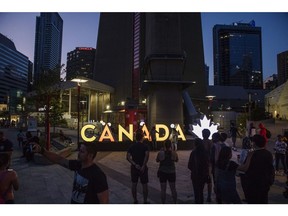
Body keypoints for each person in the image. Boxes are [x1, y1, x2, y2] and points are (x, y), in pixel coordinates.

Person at [33, 142, 109, 204]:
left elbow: (104, 201)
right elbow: (59, 160)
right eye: (79, 150)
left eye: (82, 152)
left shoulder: (98, 175)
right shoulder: (78, 165)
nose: (78, 154)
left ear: (90, 156)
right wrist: (42, 151)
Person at [240, 134, 275, 204]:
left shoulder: (252, 154)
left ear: (254, 143)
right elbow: (271, 168)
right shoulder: (268, 153)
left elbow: (245, 167)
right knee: (263, 200)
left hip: (253, 183)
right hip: (265, 182)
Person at [126, 131, 150, 204]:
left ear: (135, 138)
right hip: (143, 168)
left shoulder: (132, 146)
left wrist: (134, 164)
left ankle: (135, 200)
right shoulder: (145, 146)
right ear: (142, 138)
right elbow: (147, 156)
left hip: (134, 168)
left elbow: (128, 157)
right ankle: (145, 201)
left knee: (134, 184)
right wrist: (143, 165)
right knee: (144, 185)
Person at [156, 139, 178, 204]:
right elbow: (176, 160)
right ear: (170, 145)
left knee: (163, 190)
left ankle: (163, 203)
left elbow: (157, 160)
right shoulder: (174, 153)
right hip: (171, 172)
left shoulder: (161, 153)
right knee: (173, 189)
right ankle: (175, 202)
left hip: (163, 172)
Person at [188, 138, 210, 204]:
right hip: (203, 175)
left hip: (195, 175)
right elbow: (207, 164)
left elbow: (189, 165)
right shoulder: (205, 152)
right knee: (201, 191)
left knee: (196, 192)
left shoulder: (194, 153)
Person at [202, 129, 213, 202]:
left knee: (203, 180)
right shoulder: (211, 142)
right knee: (209, 180)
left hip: (203, 163)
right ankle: (209, 196)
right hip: (209, 164)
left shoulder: (201, 142)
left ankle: (202, 195)